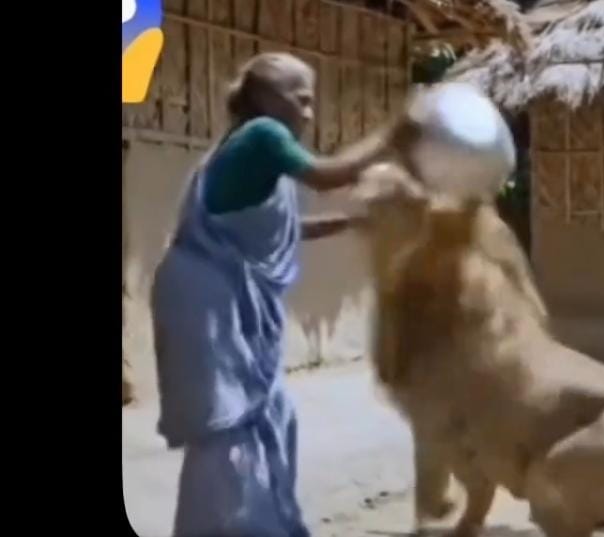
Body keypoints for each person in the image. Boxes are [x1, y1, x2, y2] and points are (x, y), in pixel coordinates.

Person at [150, 52, 413, 537]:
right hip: (207, 302)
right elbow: (326, 175)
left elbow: (287, 228)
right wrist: (394, 134)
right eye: (302, 100)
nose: (309, 115)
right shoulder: (263, 135)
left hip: (218, 296)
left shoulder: (249, 150)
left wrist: (350, 222)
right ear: (268, 98)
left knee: (267, 416)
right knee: (230, 427)